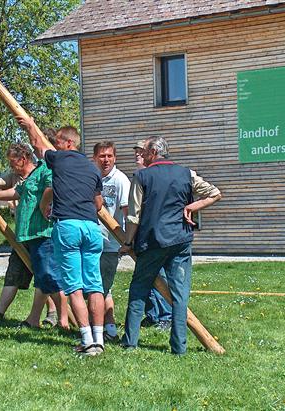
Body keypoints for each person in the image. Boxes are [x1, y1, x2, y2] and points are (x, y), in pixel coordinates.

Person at [120, 136, 222, 355]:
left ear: (153, 153)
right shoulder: (186, 173)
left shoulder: (141, 176)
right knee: (180, 295)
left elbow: (134, 216)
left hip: (152, 241)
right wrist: (192, 207)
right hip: (181, 241)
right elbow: (214, 193)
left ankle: (130, 342)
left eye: (144, 152)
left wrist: (127, 242)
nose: (142, 156)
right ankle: (179, 347)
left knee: (139, 290)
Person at [18, 116, 105, 356]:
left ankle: (87, 341)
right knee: (94, 286)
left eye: (57, 142)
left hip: (68, 226)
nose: (54, 146)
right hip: (92, 228)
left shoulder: (60, 159)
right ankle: (99, 340)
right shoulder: (92, 167)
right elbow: (98, 204)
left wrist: (30, 125)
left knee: (74, 287)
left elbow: (38, 144)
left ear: (68, 143)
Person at [0, 143, 67, 328]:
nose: (11, 166)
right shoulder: (25, 177)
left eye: (12, 162)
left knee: (47, 277)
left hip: (41, 233)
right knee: (16, 274)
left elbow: (50, 190)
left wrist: (43, 206)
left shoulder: (44, 170)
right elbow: (14, 191)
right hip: (24, 236)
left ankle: (61, 319)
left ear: (23, 159)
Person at [92, 141, 130, 341]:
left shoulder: (120, 180)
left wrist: (127, 240)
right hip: (91, 241)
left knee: (101, 288)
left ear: (115, 158)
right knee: (98, 288)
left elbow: (128, 212)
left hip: (110, 243)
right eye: (102, 156)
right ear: (94, 158)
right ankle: (108, 327)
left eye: (109, 156)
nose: (105, 160)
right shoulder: (92, 177)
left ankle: (105, 330)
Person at [133, 140, 173, 330]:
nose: (138, 155)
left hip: (156, 235)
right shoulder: (139, 175)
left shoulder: (151, 175)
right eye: (136, 151)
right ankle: (152, 314)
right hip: (142, 234)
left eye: (141, 151)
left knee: (159, 275)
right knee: (146, 278)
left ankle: (166, 315)